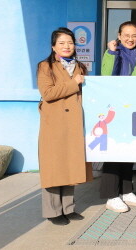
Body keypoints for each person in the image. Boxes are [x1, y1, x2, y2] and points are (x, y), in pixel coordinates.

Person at [37, 27, 92, 225]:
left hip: (75, 124)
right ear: (54, 47)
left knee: (70, 165)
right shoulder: (45, 67)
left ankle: (68, 209)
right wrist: (74, 83)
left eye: (70, 43)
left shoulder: (80, 66)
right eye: (62, 43)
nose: (67, 46)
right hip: (55, 125)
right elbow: (48, 93)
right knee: (54, 167)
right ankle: (53, 212)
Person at [100, 21, 136, 213]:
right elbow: (107, 75)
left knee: (128, 150)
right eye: (126, 35)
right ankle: (112, 196)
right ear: (119, 36)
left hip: (133, 110)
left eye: (134, 35)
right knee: (113, 153)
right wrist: (111, 53)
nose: (130, 39)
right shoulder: (113, 52)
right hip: (115, 110)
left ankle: (127, 190)